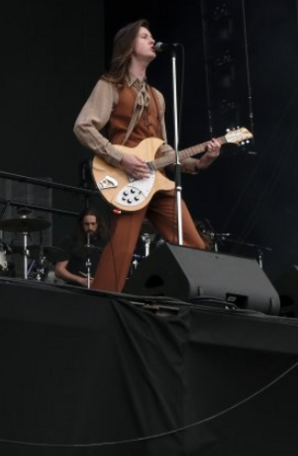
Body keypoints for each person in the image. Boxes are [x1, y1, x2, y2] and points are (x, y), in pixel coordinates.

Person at [73, 19, 221, 292]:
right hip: (126, 177)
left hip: (159, 179)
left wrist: (199, 162)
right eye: (144, 36)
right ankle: (101, 304)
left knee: (194, 243)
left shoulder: (157, 97)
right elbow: (83, 126)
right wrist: (121, 158)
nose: (152, 40)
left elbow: (162, 148)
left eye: (152, 35)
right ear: (129, 46)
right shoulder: (111, 85)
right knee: (122, 246)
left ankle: (200, 303)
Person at [54, 208, 109, 287]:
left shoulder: (105, 242)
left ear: (98, 224)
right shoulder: (69, 241)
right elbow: (59, 270)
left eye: (93, 224)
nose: (90, 227)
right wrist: (81, 280)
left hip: (99, 289)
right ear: (81, 224)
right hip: (74, 288)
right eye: (86, 224)